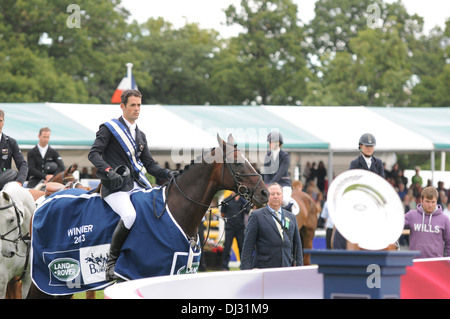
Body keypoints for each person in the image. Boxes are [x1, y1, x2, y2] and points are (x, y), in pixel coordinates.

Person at [88, 89, 178, 280]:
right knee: (129, 215)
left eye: (139, 105)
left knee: (156, 210)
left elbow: (150, 165)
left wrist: (168, 173)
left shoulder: (141, 135)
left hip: (136, 185)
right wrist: (107, 170)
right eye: (133, 105)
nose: (137, 109)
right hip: (115, 187)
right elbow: (93, 153)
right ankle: (111, 262)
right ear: (123, 106)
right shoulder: (109, 128)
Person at [333, 133, 385, 249]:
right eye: (366, 146)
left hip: (374, 197)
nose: (369, 148)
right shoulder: (355, 163)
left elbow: (382, 181)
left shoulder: (379, 163)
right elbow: (353, 182)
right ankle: (339, 244)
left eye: (371, 146)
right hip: (359, 197)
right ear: (360, 147)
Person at [240, 183, 303, 269]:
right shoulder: (256, 216)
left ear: (282, 196)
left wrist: (299, 268)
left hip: (287, 268)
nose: (275, 196)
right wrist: (246, 271)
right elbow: (248, 247)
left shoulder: (291, 217)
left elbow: (297, 246)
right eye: (272, 194)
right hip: (264, 269)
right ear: (267, 196)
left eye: (278, 194)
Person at [404, 187, 450, 258]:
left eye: (433, 202)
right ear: (421, 200)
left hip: (436, 263)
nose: (430, 205)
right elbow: (396, 226)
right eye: (427, 201)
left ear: (436, 201)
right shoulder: (411, 215)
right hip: (414, 262)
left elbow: (449, 242)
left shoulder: (445, 219)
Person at [261, 131, 299, 215]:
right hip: (270, 184)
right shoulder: (268, 156)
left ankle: (290, 213)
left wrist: (271, 184)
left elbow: (281, 172)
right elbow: (266, 172)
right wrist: (267, 184)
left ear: (278, 143)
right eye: (269, 142)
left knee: (284, 200)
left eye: (271, 142)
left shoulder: (285, 155)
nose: (269, 144)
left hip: (283, 183)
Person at [220, 191, 250, 270]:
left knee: (242, 247)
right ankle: (225, 266)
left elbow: (247, 211)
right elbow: (222, 213)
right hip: (229, 228)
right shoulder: (226, 200)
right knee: (227, 247)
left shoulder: (243, 200)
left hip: (240, 228)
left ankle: (243, 266)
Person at [0, 109, 28, 188]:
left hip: (4, 186)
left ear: (3, 122)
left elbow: (23, 164)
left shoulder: (11, 142)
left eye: (0, 120)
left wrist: (19, 181)